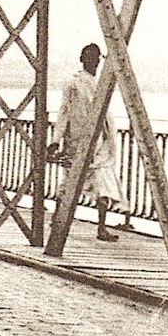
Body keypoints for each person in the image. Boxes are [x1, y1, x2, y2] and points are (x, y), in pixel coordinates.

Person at [52, 43, 127, 242]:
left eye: (95, 57)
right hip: (76, 141)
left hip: (98, 143)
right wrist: (55, 140)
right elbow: (64, 111)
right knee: (69, 183)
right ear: (82, 59)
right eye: (88, 56)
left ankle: (101, 228)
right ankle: (57, 219)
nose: (92, 60)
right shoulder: (73, 83)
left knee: (102, 183)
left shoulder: (101, 83)